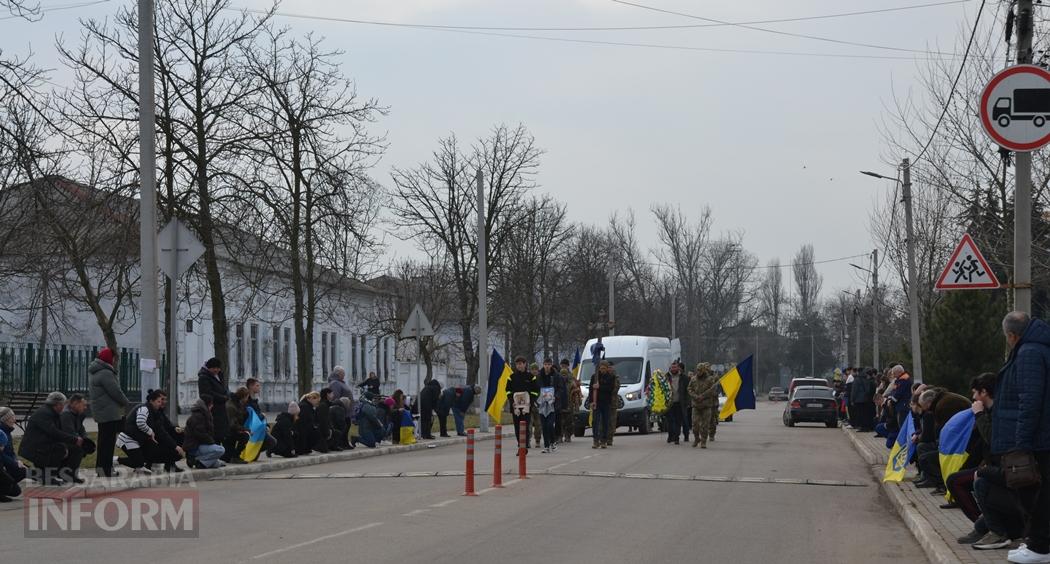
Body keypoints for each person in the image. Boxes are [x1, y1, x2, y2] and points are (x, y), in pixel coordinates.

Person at [991, 312, 1050, 564]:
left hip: (1037, 437)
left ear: (1012, 335)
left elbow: (1030, 400)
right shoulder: (1035, 349)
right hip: (1039, 435)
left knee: (1035, 492)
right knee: (1037, 491)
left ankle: (1040, 547)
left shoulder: (1029, 354)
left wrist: (1022, 441)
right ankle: (1036, 543)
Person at [18, 392, 82, 485]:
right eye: (63, 404)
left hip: (42, 445)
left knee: (73, 448)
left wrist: (70, 442)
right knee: (59, 449)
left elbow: (58, 432)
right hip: (35, 449)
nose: (64, 407)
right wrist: (74, 440)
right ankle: (49, 477)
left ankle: (66, 474)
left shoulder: (52, 413)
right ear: (57, 404)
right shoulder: (45, 413)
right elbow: (54, 432)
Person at [116, 390, 184, 474]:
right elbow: (140, 422)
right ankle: (115, 460)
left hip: (137, 440)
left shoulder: (155, 412)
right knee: (139, 462)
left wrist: (174, 443)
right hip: (128, 439)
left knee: (141, 461)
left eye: (162, 400)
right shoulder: (144, 408)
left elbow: (161, 429)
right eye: (158, 401)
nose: (161, 403)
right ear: (151, 401)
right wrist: (150, 432)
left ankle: (144, 466)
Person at [88, 347, 128, 478]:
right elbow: (115, 391)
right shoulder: (105, 373)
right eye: (114, 358)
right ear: (109, 358)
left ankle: (101, 469)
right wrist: (125, 402)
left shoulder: (95, 371)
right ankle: (106, 470)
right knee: (108, 443)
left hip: (101, 412)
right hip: (109, 413)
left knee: (103, 442)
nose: (115, 361)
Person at [58, 394, 95, 482]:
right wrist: (81, 441)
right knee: (78, 449)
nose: (85, 407)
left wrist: (85, 439)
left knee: (83, 447)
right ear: (75, 403)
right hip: (60, 441)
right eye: (83, 405)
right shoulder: (66, 414)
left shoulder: (76, 414)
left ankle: (68, 473)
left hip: (68, 439)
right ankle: (68, 475)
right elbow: (68, 432)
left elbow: (81, 429)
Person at [183, 394, 226, 469]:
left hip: (200, 445)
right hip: (195, 446)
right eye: (212, 404)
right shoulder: (199, 416)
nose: (212, 406)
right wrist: (211, 441)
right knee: (221, 450)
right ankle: (195, 459)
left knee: (216, 464)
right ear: (208, 404)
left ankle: (201, 463)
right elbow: (200, 434)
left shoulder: (203, 414)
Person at [507, 356, 539, 448]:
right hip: (515, 407)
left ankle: (524, 444)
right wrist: (511, 400)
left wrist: (531, 402)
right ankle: (520, 444)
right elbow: (508, 390)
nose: (519, 366)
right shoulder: (511, 377)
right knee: (517, 427)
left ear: (525, 364)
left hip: (527, 407)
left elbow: (535, 390)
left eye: (521, 364)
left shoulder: (530, 377)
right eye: (517, 364)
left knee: (525, 426)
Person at [198, 358, 230, 447]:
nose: (216, 370)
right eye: (213, 368)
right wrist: (222, 397)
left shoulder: (219, 375)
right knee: (215, 432)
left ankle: (222, 453)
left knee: (222, 432)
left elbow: (223, 388)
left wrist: (227, 394)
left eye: (218, 368)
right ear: (209, 368)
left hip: (221, 408)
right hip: (213, 408)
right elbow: (207, 392)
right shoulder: (204, 377)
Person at [688, 363, 719, 449]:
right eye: (697, 370)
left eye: (700, 370)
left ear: (703, 370)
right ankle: (697, 438)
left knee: (705, 425)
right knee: (695, 425)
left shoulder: (709, 379)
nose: (698, 372)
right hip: (696, 405)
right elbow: (689, 389)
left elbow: (713, 391)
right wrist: (695, 396)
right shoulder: (693, 379)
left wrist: (703, 396)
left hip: (706, 406)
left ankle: (703, 441)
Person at [245, 378, 277, 456]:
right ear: (251, 386)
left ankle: (254, 453)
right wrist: (262, 415)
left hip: (259, 427)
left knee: (272, 442)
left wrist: (266, 425)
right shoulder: (247, 401)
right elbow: (252, 415)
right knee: (272, 441)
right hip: (252, 428)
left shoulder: (254, 400)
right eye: (257, 385)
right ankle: (253, 453)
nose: (259, 387)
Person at [0, 407, 26, 499]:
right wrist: (14, 463)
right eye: (12, 417)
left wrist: (16, 460)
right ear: (5, 419)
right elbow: (2, 455)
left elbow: (11, 452)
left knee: (16, 491)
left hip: (6, 464)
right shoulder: (1, 433)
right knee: (19, 472)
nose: (14, 419)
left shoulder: (7, 431)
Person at [589, 360, 616, 449]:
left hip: (606, 402)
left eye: (604, 368)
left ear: (607, 368)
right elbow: (591, 390)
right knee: (595, 422)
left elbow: (610, 389)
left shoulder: (611, 377)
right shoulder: (595, 377)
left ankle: (604, 440)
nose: (602, 370)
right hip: (596, 402)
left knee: (605, 422)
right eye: (601, 368)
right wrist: (591, 401)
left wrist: (600, 386)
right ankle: (595, 440)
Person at [224, 387, 251, 463]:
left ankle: (234, 456)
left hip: (233, 430)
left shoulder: (238, 404)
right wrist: (244, 429)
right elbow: (232, 424)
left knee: (227, 457)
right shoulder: (231, 406)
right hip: (229, 433)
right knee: (245, 436)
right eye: (247, 397)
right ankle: (235, 456)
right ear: (243, 396)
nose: (247, 399)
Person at [295, 392, 321, 456]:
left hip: (305, 428)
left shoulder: (307, 406)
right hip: (303, 429)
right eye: (317, 401)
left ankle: (305, 449)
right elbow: (303, 423)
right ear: (312, 399)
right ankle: (303, 449)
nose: (317, 403)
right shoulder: (305, 406)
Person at [665, 361, 685, 445]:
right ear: (670, 368)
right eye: (672, 367)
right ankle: (670, 435)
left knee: (678, 421)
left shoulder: (683, 377)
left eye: (675, 367)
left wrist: (687, 402)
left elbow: (687, 390)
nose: (674, 369)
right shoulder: (666, 377)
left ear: (678, 368)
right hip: (669, 403)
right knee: (670, 420)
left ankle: (676, 437)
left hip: (679, 402)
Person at [562, 367, 582, 443]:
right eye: (562, 374)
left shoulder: (572, 384)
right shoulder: (558, 383)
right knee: (561, 422)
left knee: (569, 422)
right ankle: (561, 435)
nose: (564, 376)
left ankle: (568, 435)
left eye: (565, 374)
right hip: (561, 405)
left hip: (570, 405)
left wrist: (577, 406)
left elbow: (577, 395)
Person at [606, 364, 622, 445]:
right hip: (604, 402)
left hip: (612, 403)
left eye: (610, 367)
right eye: (608, 367)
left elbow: (616, 388)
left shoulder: (616, 377)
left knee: (612, 421)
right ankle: (604, 437)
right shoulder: (603, 376)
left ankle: (610, 438)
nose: (609, 369)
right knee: (605, 421)